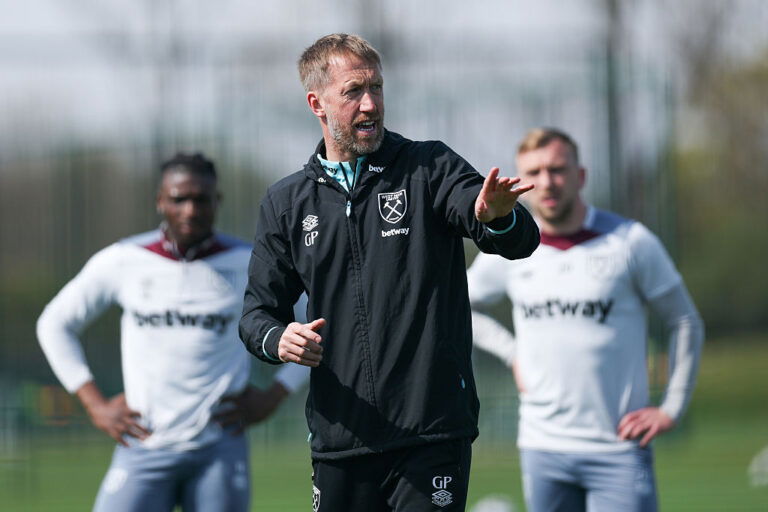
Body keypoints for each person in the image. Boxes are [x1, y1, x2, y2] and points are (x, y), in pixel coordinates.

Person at [238, 33, 540, 511]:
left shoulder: (429, 167)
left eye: (376, 88)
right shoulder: (287, 202)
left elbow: (515, 237)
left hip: (430, 431)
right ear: (316, 103)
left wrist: (497, 217)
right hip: (342, 437)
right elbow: (257, 314)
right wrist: (280, 339)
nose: (370, 104)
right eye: (353, 91)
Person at [37, 152, 309, 512]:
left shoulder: (248, 263)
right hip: (145, 445)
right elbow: (54, 323)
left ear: (218, 202)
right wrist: (94, 404)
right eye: (179, 198)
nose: (190, 210)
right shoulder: (124, 260)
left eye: (201, 199)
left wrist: (273, 395)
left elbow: (314, 326)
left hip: (220, 448)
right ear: (160, 201)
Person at [467, 127, 705, 512]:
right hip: (543, 447)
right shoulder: (506, 250)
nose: (547, 182)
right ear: (519, 181)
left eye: (558, 169)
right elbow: (460, 302)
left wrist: (672, 406)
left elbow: (685, 321)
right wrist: (512, 354)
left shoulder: (630, 242)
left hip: (619, 448)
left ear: (580, 176)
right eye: (535, 172)